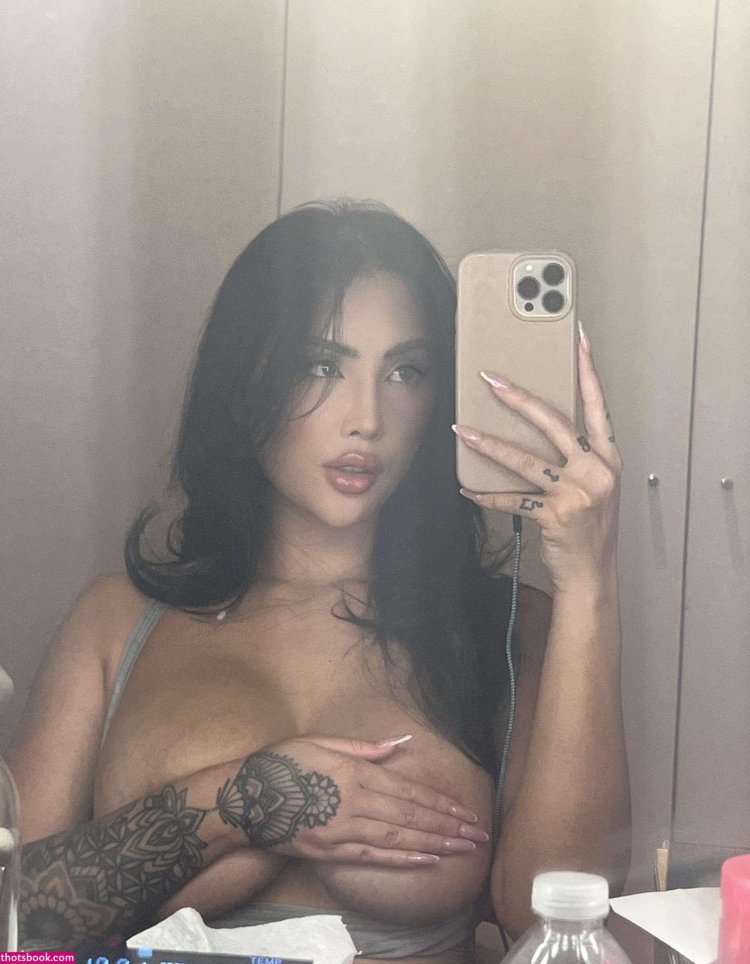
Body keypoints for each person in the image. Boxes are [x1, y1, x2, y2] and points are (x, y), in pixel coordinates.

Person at [8, 200, 630, 960]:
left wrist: (588, 585)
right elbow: (12, 913)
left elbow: (562, 920)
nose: (367, 417)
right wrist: (243, 801)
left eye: (405, 371)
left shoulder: (506, 630)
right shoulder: (118, 623)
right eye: (321, 366)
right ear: (246, 380)